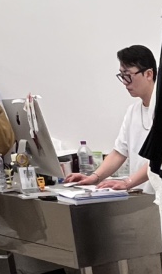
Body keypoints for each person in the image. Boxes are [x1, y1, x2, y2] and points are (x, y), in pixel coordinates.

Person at [65, 45, 156, 194]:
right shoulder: (132, 111)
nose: (125, 82)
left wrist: (128, 182)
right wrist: (94, 177)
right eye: (122, 76)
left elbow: (159, 158)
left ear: (148, 74)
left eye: (128, 76)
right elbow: (119, 153)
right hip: (140, 196)